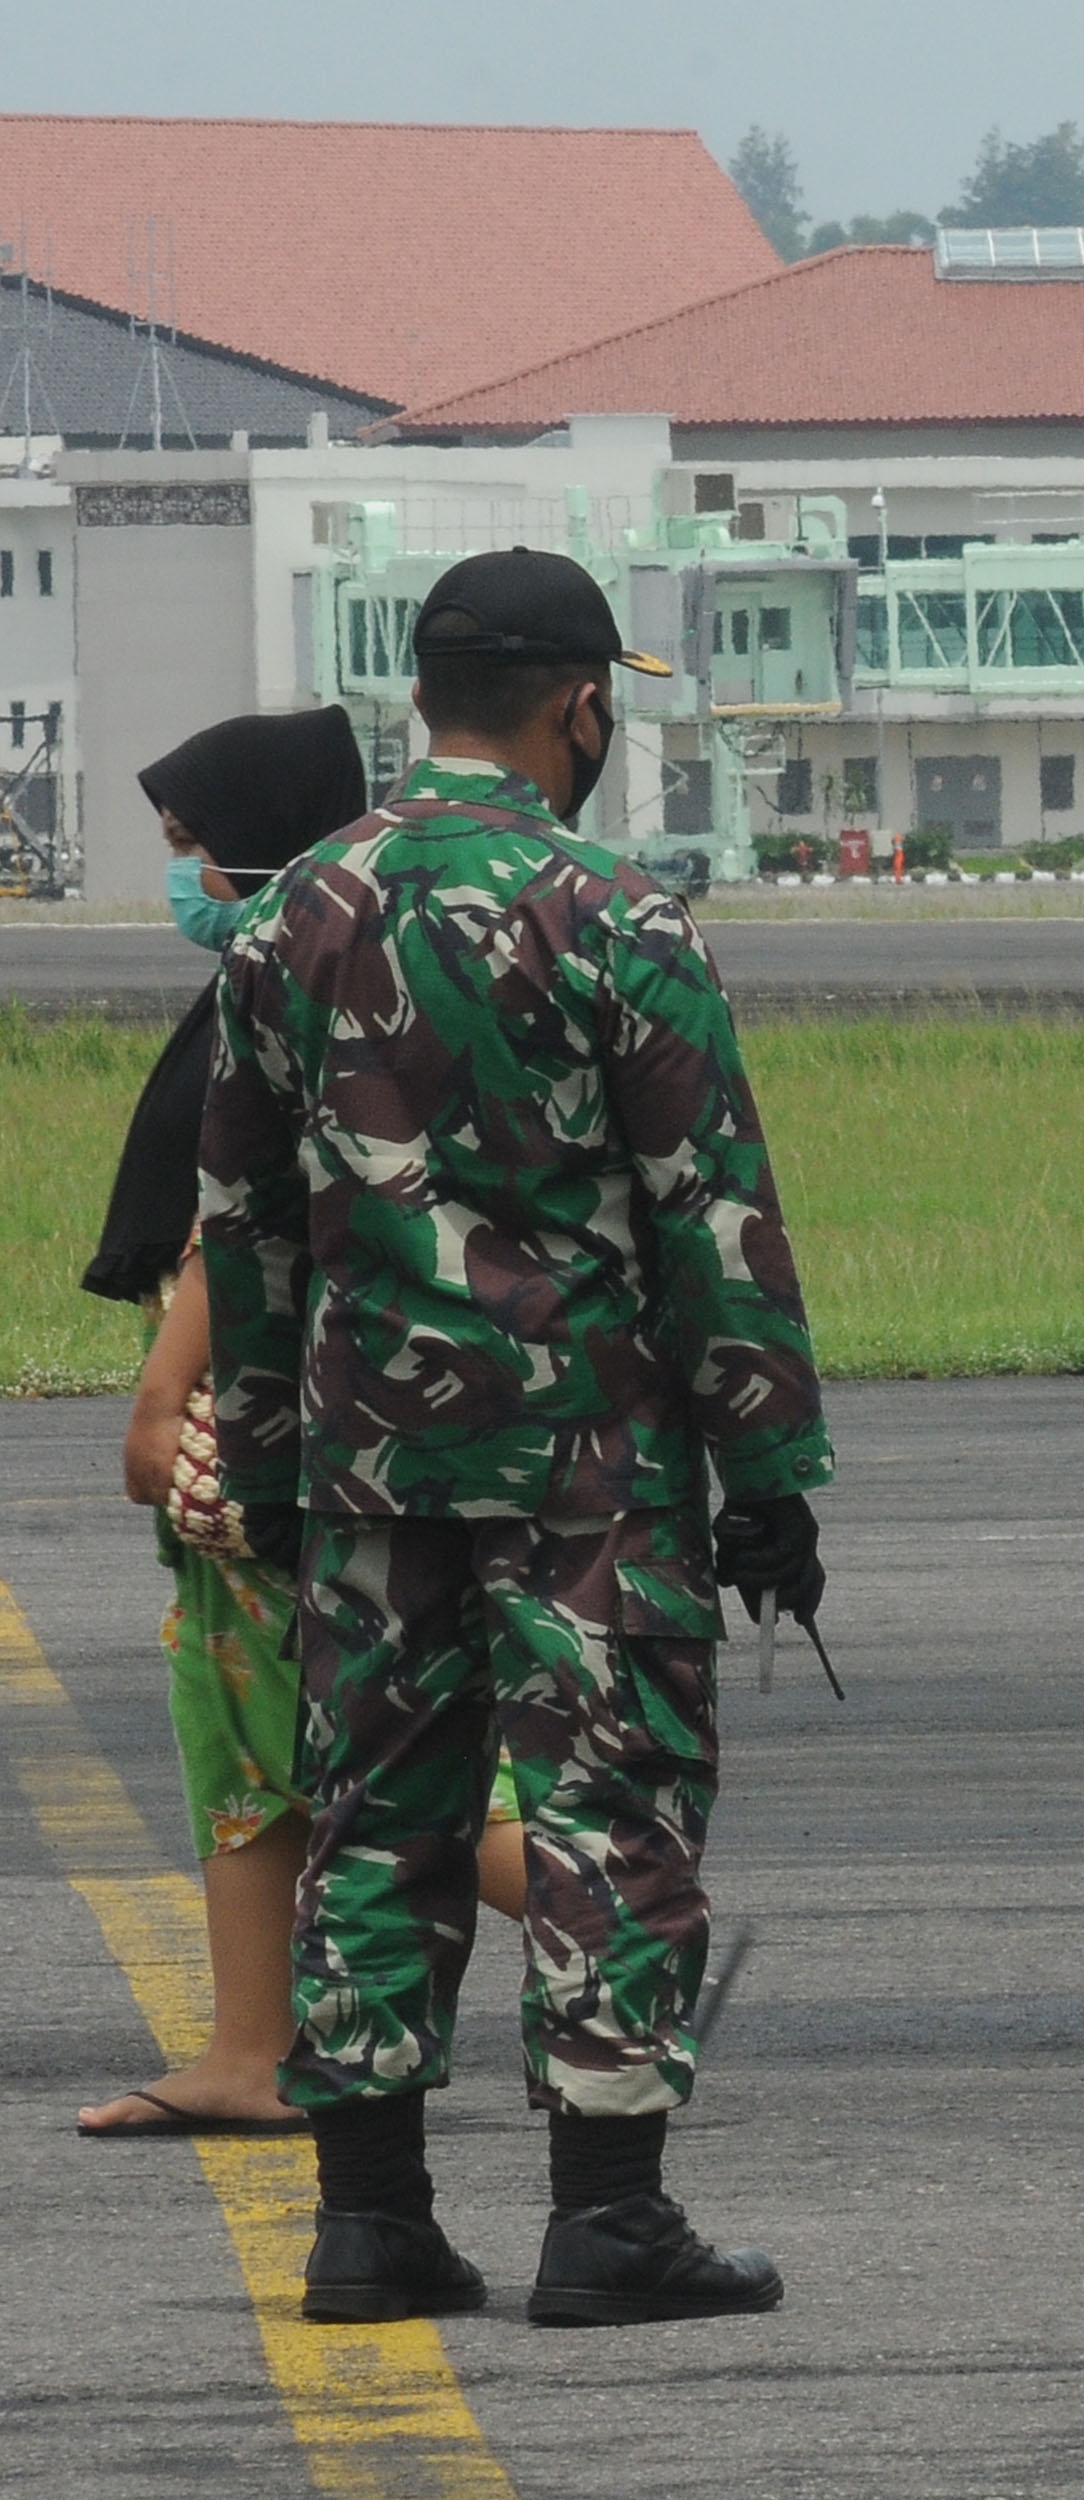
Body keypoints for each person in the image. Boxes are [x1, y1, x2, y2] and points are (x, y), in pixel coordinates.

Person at [200, 548, 837, 2322]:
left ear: (424, 700)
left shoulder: (290, 914)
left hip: (368, 1462)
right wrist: (770, 1474)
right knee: (605, 1805)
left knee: (376, 1815)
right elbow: (709, 1211)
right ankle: (608, 2214)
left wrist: (257, 1464)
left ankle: (371, 2216)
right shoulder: (618, 914)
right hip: (586, 1470)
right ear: (581, 704)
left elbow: (241, 1223)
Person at [69, 710, 549, 2139]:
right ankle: (251, 2044)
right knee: (270, 1736)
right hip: (294, 1397)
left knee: (362, 1735)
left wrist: (166, 1395)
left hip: (263, 1408)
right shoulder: (322, 965)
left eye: (191, 848)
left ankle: (630, 1958)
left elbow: (244, 1213)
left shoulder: (282, 982)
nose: (182, 875)